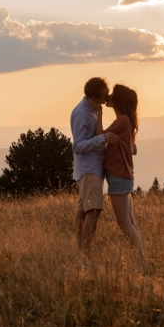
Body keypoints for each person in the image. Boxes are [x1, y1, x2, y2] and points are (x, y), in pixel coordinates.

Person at [97, 84, 147, 269]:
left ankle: (141, 262)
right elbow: (133, 149)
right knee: (130, 221)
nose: (108, 96)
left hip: (118, 176)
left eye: (112, 95)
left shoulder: (122, 121)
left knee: (124, 222)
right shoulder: (127, 121)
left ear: (119, 100)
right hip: (125, 176)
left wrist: (99, 113)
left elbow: (98, 136)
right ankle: (141, 261)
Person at [72, 77, 118, 259]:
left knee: (83, 211)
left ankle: (80, 252)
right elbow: (77, 146)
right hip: (89, 169)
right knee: (94, 210)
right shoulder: (83, 114)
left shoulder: (91, 110)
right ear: (93, 98)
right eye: (104, 97)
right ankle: (85, 254)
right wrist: (102, 139)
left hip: (90, 169)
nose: (107, 100)